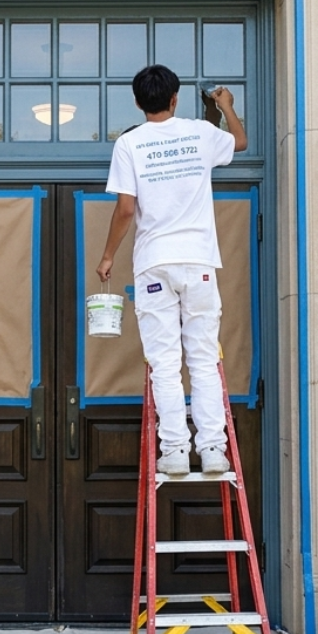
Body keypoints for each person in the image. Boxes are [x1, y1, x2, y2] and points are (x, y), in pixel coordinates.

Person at [95, 64, 247, 476]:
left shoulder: (130, 144)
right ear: (175, 99)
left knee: (164, 362)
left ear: (137, 101)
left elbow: (126, 208)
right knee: (201, 359)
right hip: (197, 261)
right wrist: (226, 106)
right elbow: (240, 141)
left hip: (154, 263)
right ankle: (213, 449)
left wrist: (109, 255)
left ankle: (175, 452)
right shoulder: (199, 134)